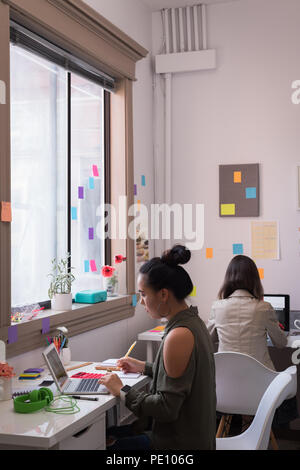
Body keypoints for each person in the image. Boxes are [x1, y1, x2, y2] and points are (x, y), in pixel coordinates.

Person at [99, 245, 216, 450]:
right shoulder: (193, 322)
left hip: (178, 445)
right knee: (107, 436)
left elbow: (165, 408)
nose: (142, 302)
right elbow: (181, 379)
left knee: (99, 444)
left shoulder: (178, 336)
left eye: (143, 294)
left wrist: (122, 389)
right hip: (195, 438)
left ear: (163, 294)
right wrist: (144, 367)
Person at [206, 255, 287, 370]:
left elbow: (207, 340)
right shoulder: (264, 308)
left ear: (228, 279)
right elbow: (281, 343)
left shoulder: (217, 307)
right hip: (260, 378)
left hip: (227, 376)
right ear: (255, 279)